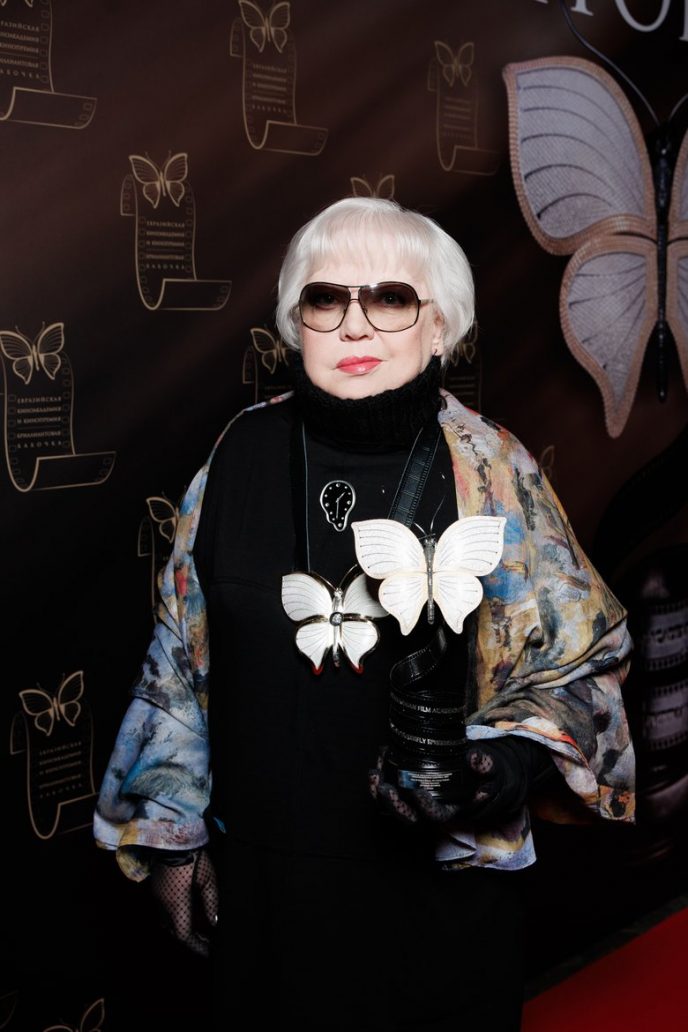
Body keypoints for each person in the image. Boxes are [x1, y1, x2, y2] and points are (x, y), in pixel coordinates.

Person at [94, 196, 635, 1031]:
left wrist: (500, 769)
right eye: (326, 298)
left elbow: (584, 665)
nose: (354, 324)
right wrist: (171, 833)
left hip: (438, 898)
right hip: (269, 889)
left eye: (390, 298)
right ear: (296, 322)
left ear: (440, 326)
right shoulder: (240, 452)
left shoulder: (494, 469)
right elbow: (180, 654)